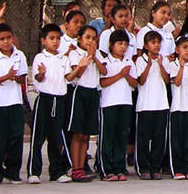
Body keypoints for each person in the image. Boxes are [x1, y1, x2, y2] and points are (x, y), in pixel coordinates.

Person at [27, 24, 70, 184]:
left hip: (59, 100)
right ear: (43, 41)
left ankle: (57, 171)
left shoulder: (63, 58)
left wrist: (81, 67)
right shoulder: (40, 57)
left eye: (58, 38)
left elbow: (69, 76)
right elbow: (38, 78)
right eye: (51, 38)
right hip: (44, 99)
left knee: (56, 137)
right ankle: (34, 171)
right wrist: (42, 74)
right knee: (38, 136)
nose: (55, 42)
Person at [0, 24, 27, 185]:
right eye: (2, 39)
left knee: (16, 137)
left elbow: (22, 78)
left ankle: (13, 172)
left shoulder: (19, 55)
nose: (6, 42)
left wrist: (14, 77)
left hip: (15, 102)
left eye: (9, 38)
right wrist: (7, 77)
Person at [65, 25, 103, 183]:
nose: (91, 41)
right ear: (79, 39)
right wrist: (87, 58)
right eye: (87, 37)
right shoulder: (75, 54)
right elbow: (77, 74)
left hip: (93, 93)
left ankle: (82, 167)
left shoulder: (97, 53)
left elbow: (104, 71)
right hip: (79, 92)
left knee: (87, 133)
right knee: (78, 133)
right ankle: (76, 169)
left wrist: (94, 56)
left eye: (94, 38)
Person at [97, 30, 136, 180]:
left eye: (125, 44)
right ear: (111, 45)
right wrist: (121, 74)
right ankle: (106, 169)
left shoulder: (129, 62)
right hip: (109, 103)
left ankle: (120, 167)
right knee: (108, 137)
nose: (123, 47)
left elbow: (135, 83)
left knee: (122, 136)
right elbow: (102, 82)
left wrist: (126, 75)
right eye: (119, 44)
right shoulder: (106, 62)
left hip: (125, 102)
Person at [133, 30, 170, 179]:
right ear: (146, 45)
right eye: (153, 42)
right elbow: (140, 81)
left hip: (161, 104)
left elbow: (167, 80)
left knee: (159, 138)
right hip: (145, 104)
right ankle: (143, 167)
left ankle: (156, 167)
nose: (157, 45)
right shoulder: (140, 60)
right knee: (143, 138)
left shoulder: (163, 59)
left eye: (158, 42)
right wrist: (149, 64)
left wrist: (160, 65)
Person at [166, 37, 188, 179]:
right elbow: (177, 82)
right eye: (184, 47)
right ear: (177, 50)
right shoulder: (172, 65)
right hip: (178, 107)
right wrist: (181, 66)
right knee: (177, 140)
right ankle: (177, 169)